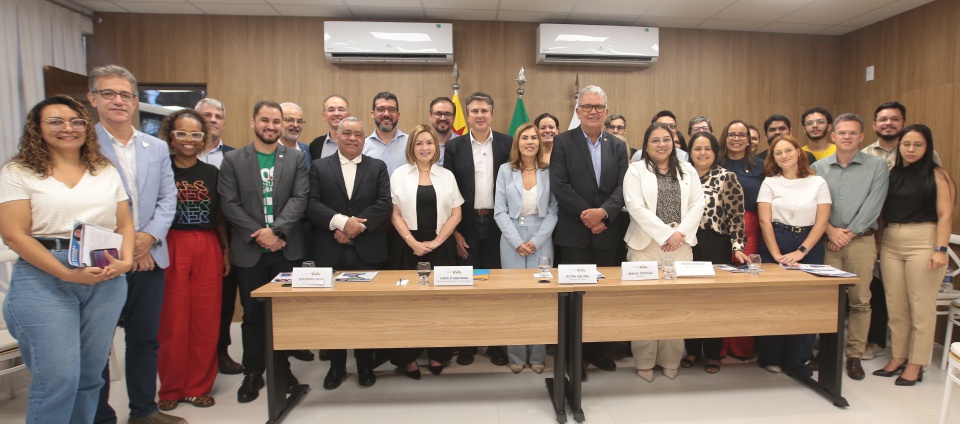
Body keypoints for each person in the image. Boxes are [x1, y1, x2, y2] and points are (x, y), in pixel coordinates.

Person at [0, 95, 134, 424]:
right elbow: (14, 235)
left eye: (76, 121)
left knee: (90, 378)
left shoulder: (104, 169)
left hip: (105, 276)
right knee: (58, 381)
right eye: (56, 122)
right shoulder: (18, 171)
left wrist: (127, 261)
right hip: (43, 277)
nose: (68, 128)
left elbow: (125, 224)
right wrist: (67, 273)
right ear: (37, 128)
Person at [88, 65, 181, 424]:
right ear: (92, 98)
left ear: (135, 100)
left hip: (151, 256)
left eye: (125, 95)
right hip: (104, 258)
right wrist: (129, 247)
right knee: (97, 343)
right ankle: (99, 416)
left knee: (145, 339)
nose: (118, 101)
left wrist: (148, 238)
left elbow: (168, 198)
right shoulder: (83, 144)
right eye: (108, 93)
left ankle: (143, 410)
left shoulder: (155, 146)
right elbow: (87, 204)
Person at [219, 100, 309, 403]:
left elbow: (300, 198)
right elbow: (229, 203)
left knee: (285, 314)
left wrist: (278, 231)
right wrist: (261, 235)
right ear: (253, 122)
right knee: (253, 314)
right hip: (250, 250)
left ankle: (282, 368)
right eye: (265, 121)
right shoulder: (233, 159)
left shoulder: (296, 158)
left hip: (287, 249)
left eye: (276, 121)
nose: (271, 126)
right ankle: (253, 372)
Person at [307, 116, 392, 388]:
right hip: (330, 250)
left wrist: (355, 228)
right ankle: (336, 366)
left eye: (358, 134)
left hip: (368, 251)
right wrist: (342, 223)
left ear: (364, 139)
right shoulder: (319, 167)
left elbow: (384, 204)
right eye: (346, 133)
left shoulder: (377, 167)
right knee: (334, 312)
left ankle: (365, 364)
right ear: (336, 136)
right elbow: (311, 204)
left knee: (366, 310)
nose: (352, 138)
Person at [550, 85, 628, 375]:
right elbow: (559, 185)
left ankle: (597, 351)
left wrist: (603, 214)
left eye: (598, 107)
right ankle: (573, 357)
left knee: (601, 299)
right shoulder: (562, 142)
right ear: (578, 111)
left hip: (608, 233)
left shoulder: (617, 146)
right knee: (573, 296)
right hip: (574, 234)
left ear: (606, 112)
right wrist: (589, 216)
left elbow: (623, 187)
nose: (592, 111)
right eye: (587, 107)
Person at [155, 109, 230, 411]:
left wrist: (225, 248)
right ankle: (171, 388)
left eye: (195, 134)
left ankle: (198, 387)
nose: (189, 139)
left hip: (208, 245)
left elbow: (219, 214)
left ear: (203, 139)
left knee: (206, 319)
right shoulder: (161, 170)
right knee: (172, 321)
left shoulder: (212, 173)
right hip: (171, 244)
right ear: (171, 137)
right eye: (182, 133)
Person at [873, 124, 955, 386]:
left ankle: (917, 363)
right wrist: (878, 244)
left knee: (920, 306)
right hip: (891, 240)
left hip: (924, 239)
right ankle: (899, 356)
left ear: (927, 147)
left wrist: (940, 250)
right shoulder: (892, 174)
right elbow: (883, 215)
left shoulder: (937, 175)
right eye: (906, 144)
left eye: (917, 144)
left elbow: (945, 215)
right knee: (896, 305)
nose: (911, 149)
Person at [623, 122, 705, 381]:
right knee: (644, 305)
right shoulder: (636, 170)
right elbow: (635, 206)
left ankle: (671, 359)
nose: (661, 144)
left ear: (674, 143)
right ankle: (644, 360)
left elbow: (698, 204)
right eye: (655, 140)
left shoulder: (688, 169)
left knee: (675, 304)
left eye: (666, 139)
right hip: (645, 247)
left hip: (681, 246)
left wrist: (679, 234)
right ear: (646, 145)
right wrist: (665, 234)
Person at [810, 113, 888, 381]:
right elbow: (813, 203)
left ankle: (854, 354)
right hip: (827, 240)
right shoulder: (819, 167)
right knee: (827, 299)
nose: (847, 137)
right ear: (833, 136)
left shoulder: (877, 167)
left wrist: (850, 232)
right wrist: (830, 230)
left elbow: (874, 204)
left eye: (852, 133)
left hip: (861, 241)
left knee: (860, 300)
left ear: (861, 136)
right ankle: (824, 350)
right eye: (842, 133)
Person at [443, 91, 512, 367]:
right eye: (474, 111)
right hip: (466, 225)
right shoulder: (454, 146)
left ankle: (495, 344)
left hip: (498, 224)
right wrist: (455, 232)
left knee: (495, 285)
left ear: (492, 114)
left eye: (484, 110)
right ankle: (468, 343)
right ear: (468, 115)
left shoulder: (507, 143)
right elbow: (449, 191)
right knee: (467, 285)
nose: (480, 115)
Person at [389, 124, 463, 377]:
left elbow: (456, 214)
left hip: (441, 245)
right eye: (419, 143)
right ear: (412, 146)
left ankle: (437, 354)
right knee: (407, 304)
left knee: (440, 303)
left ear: (436, 147)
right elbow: (394, 213)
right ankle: (407, 357)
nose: (424, 147)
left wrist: (438, 241)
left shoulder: (447, 175)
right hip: (407, 246)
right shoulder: (399, 174)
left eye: (429, 142)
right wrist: (412, 241)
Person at [756, 135, 831, 377]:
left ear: (799, 151)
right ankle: (771, 357)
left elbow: (821, 222)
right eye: (778, 153)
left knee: (805, 304)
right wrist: (776, 254)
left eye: (788, 150)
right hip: (776, 240)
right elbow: (764, 220)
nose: (784, 155)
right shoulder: (770, 183)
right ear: (773, 158)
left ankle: (798, 360)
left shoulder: (818, 182)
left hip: (809, 244)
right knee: (774, 303)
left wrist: (801, 251)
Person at [494, 123, 559, 374]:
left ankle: (538, 355)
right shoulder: (505, 170)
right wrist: (517, 242)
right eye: (524, 138)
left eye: (534, 137)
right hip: (512, 237)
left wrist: (537, 241)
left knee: (541, 297)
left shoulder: (549, 171)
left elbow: (554, 210)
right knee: (514, 298)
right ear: (517, 143)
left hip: (541, 237)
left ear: (539, 142)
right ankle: (517, 355)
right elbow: (499, 211)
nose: (530, 142)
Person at [683, 132, 747, 374]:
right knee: (689, 299)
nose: (702, 153)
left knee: (712, 300)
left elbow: (736, 216)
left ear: (715, 152)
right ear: (690, 152)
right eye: (697, 148)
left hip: (715, 243)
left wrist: (738, 246)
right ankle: (691, 350)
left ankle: (712, 353)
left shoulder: (726, 177)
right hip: (686, 244)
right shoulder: (683, 177)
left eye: (707, 148)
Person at [194, 97, 244, 375]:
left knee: (224, 300)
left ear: (224, 122)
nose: (213, 120)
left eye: (218, 116)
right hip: (187, 237)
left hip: (228, 239)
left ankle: (221, 351)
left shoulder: (235, 157)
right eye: (207, 115)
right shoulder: (175, 156)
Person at [716, 120, 762, 361]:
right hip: (718, 229)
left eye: (741, 135)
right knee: (720, 286)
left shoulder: (760, 166)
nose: (736, 139)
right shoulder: (716, 162)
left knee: (745, 287)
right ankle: (718, 346)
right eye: (732, 134)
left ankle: (742, 347)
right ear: (725, 137)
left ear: (749, 139)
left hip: (749, 230)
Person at [363, 91, 408, 176]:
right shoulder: (363, 146)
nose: (386, 114)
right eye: (381, 109)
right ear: (373, 114)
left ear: (398, 115)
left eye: (391, 110)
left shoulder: (411, 143)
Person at [308, 95, 350, 160]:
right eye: (331, 110)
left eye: (341, 110)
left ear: (348, 115)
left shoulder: (360, 143)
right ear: (324, 116)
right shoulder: (315, 145)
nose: (336, 114)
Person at [428, 97, 457, 166]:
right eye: (438, 114)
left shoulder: (463, 145)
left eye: (447, 114)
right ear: (430, 116)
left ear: (454, 118)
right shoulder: (421, 145)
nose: (443, 118)